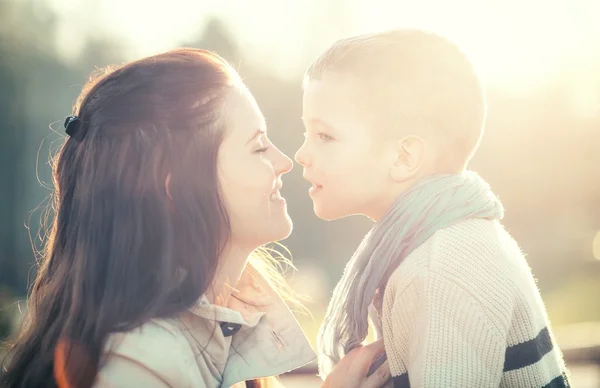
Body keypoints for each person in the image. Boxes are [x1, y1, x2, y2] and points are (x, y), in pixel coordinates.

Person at [0, 48, 390, 388]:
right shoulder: (136, 365)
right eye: (258, 147)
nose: (284, 161)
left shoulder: (213, 334)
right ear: (173, 187)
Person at [295, 29, 571, 387]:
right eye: (306, 133)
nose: (301, 154)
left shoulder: (440, 269)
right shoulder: (455, 239)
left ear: (403, 156)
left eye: (324, 136)